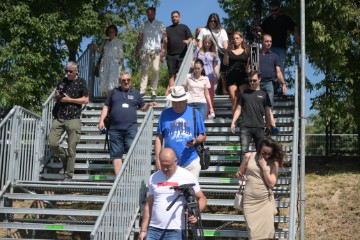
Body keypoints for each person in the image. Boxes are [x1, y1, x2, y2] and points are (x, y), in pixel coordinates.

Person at [139, 148, 207, 240]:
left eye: (168, 165)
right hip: (154, 228)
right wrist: (143, 230)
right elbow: (148, 205)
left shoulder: (187, 176)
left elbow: (202, 198)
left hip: (175, 229)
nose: (166, 169)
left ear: (176, 161)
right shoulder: (153, 177)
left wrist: (196, 213)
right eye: (163, 166)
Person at [98, 72, 158, 175]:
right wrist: (101, 120)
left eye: (128, 80)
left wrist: (148, 105)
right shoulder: (113, 92)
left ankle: (130, 175)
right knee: (116, 155)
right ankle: (119, 180)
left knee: (132, 150)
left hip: (131, 128)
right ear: (119, 81)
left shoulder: (136, 93)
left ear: (130, 81)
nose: (126, 82)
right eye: (123, 80)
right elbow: (106, 107)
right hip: (115, 128)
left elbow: (142, 108)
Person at [236, 138, 285, 240]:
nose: (266, 156)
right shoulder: (249, 156)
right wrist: (240, 176)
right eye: (264, 153)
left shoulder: (273, 162)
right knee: (253, 234)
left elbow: (271, 184)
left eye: (269, 154)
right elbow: (238, 173)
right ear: (259, 149)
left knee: (267, 235)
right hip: (250, 202)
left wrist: (264, 167)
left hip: (265, 202)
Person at [49, 61, 89, 182]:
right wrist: (56, 96)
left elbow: (86, 99)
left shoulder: (81, 82)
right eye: (66, 70)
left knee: (72, 148)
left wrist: (70, 99)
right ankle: (65, 160)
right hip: (59, 116)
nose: (68, 73)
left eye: (70, 71)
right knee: (52, 143)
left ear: (76, 70)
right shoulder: (62, 80)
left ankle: (69, 175)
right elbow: (57, 97)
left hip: (73, 117)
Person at [155, 86, 206, 178]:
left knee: (190, 191)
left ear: (185, 100)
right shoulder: (165, 114)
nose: (177, 104)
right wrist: (158, 159)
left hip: (191, 161)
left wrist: (196, 140)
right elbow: (159, 138)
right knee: (170, 191)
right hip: (169, 163)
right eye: (175, 102)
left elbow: (203, 135)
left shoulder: (195, 113)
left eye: (180, 102)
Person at [230, 70, 276, 160]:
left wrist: (270, 125)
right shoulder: (243, 94)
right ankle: (243, 173)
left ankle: (259, 172)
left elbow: (268, 112)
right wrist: (233, 122)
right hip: (245, 126)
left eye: (254, 80)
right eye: (250, 80)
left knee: (261, 152)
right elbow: (238, 109)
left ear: (259, 79)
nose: (252, 82)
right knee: (244, 152)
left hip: (259, 127)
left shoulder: (264, 94)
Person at [135, 7, 166, 99]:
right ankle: (142, 91)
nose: (150, 15)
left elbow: (165, 38)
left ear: (155, 13)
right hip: (145, 50)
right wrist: (137, 51)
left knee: (155, 70)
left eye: (151, 13)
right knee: (144, 70)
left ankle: (153, 91)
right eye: (148, 13)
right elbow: (139, 39)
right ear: (146, 14)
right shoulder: (142, 25)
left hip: (156, 50)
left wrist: (163, 51)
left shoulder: (160, 24)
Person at [260, 0, 300, 70]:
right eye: (271, 11)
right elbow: (260, 30)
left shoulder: (284, 18)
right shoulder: (267, 20)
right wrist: (260, 37)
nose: (273, 12)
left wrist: (296, 34)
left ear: (279, 9)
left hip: (280, 49)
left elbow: (294, 26)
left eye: (275, 10)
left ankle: (280, 81)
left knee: (280, 69)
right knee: (268, 68)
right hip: (269, 48)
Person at [197, 13, 229, 95]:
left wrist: (228, 52)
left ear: (218, 21)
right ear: (209, 21)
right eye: (211, 20)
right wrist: (201, 53)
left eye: (215, 21)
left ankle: (217, 90)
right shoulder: (204, 30)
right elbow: (200, 42)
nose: (213, 22)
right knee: (206, 72)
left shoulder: (222, 31)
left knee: (217, 73)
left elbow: (225, 44)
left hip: (218, 54)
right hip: (206, 53)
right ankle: (207, 90)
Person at [165, 11, 193, 95]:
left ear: (179, 17)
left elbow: (191, 38)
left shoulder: (184, 27)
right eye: (173, 17)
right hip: (170, 55)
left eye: (176, 16)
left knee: (182, 74)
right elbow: (164, 42)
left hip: (182, 55)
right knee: (171, 73)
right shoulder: (167, 29)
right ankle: (171, 92)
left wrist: (188, 41)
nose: (174, 18)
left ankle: (181, 91)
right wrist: (164, 41)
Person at [223, 31, 249, 114]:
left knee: (244, 97)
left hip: (243, 76)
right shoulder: (230, 52)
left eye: (237, 38)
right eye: (234, 39)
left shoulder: (246, 51)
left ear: (241, 39)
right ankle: (234, 121)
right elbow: (225, 63)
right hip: (231, 75)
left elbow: (248, 66)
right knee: (234, 98)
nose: (235, 40)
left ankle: (244, 119)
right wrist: (227, 51)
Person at [94, 24, 124, 96]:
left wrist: (123, 65)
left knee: (112, 81)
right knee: (105, 80)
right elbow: (99, 50)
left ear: (115, 32)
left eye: (112, 32)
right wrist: (92, 46)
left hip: (114, 63)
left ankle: (112, 98)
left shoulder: (118, 42)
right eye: (110, 32)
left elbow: (121, 54)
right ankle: (106, 99)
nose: (111, 33)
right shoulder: (105, 42)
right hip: (105, 63)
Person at [259, 34, 287, 107]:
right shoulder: (256, 54)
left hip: (269, 83)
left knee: (269, 106)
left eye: (270, 41)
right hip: (257, 83)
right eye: (267, 41)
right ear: (262, 41)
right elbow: (250, 69)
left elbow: (279, 72)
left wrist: (283, 83)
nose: (269, 43)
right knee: (257, 107)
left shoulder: (275, 56)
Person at [192, 35, 218, 112]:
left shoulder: (213, 53)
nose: (207, 44)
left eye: (209, 43)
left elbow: (215, 65)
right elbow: (194, 61)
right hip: (200, 76)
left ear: (211, 43)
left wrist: (216, 74)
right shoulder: (198, 51)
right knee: (200, 95)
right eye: (206, 43)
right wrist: (194, 69)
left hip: (210, 77)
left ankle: (209, 111)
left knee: (210, 95)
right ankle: (201, 112)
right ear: (203, 43)